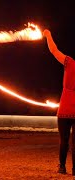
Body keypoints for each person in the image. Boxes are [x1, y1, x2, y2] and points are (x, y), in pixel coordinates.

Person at [43, 29, 75, 176]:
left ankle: (62, 167)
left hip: (64, 109)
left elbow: (54, 50)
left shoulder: (69, 62)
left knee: (64, 141)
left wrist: (48, 35)